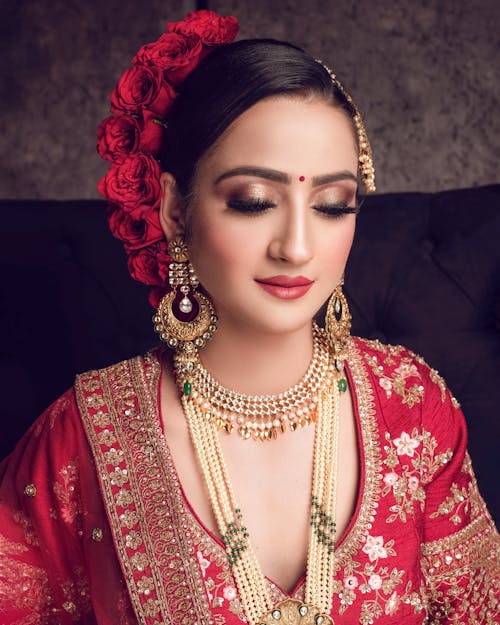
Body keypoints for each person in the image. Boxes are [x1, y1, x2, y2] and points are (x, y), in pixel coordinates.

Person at [0, 9, 498, 625]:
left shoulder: (410, 406)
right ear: (175, 214)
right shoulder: (85, 438)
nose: (296, 246)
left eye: (333, 206)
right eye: (253, 202)